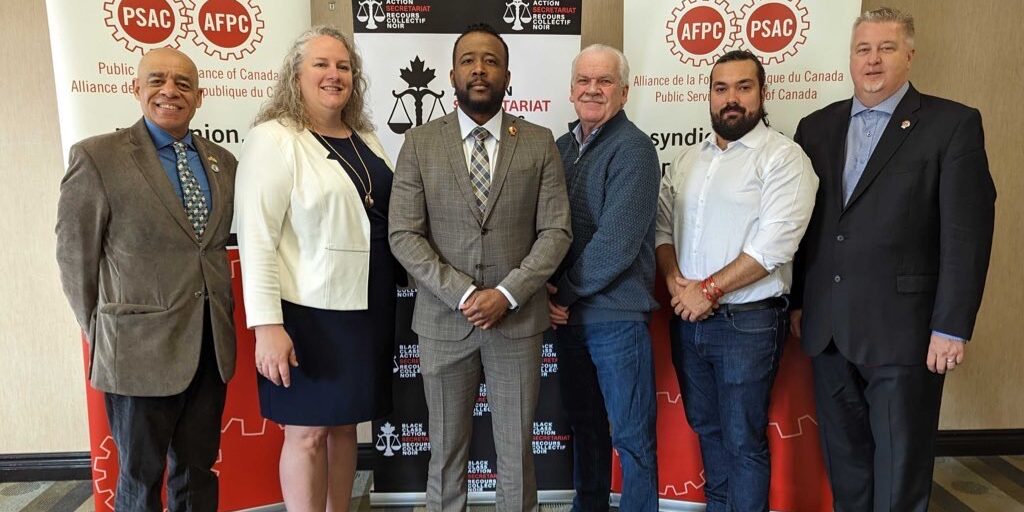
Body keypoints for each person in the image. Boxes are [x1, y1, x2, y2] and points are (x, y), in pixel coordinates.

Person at [790, 8, 996, 511]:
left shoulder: (952, 125)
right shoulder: (816, 127)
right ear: (851, 59)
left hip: (905, 334)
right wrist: (798, 302)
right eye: (863, 49)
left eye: (885, 48)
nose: (873, 60)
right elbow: (801, 226)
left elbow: (966, 233)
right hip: (828, 330)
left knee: (900, 478)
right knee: (848, 472)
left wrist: (952, 326)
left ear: (909, 54)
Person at [388, 23, 571, 512]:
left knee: (516, 452)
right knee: (445, 453)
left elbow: (556, 232)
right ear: (452, 74)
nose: (479, 69)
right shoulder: (420, 143)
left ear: (508, 75)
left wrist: (507, 294)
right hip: (446, 324)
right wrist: (466, 294)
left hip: (517, 322)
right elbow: (404, 234)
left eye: (490, 60)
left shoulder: (538, 142)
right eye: (469, 59)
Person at [55, 47, 237, 511]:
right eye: (157, 80)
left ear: (199, 97)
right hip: (136, 351)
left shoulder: (224, 163)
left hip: (208, 346)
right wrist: (101, 330)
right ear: (136, 89)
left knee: (198, 473)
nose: (169, 91)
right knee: (140, 478)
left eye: (183, 84)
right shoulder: (98, 157)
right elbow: (75, 255)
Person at [234, 26, 398, 512]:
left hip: (366, 306)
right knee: (307, 433)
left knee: (345, 426)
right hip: (304, 313)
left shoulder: (366, 136)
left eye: (343, 66)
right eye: (321, 65)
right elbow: (256, 238)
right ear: (296, 75)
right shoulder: (274, 138)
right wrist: (267, 326)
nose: (334, 74)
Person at [655, 50, 817, 512]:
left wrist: (707, 291)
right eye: (721, 88)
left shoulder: (784, 158)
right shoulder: (690, 160)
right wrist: (675, 283)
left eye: (743, 87)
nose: (731, 99)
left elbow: (775, 246)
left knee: (743, 441)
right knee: (707, 431)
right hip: (688, 321)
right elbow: (662, 231)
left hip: (747, 325)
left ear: (762, 94)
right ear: (708, 96)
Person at [547, 44, 661, 511]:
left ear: (625, 91)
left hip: (615, 317)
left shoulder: (634, 149)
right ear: (572, 90)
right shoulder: (561, 147)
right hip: (570, 318)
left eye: (605, 81)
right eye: (584, 80)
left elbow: (617, 243)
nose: (593, 89)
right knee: (586, 429)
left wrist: (565, 292)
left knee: (632, 437)